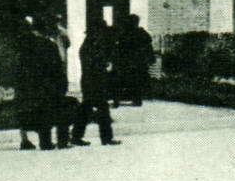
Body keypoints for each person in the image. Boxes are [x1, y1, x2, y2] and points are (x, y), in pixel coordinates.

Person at [14, 16, 69, 150]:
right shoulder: (49, 44)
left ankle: (45, 142)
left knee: (41, 112)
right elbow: (57, 66)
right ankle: (62, 141)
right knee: (59, 110)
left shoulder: (24, 46)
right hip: (49, 83)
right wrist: (62, 83)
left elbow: (19, 67)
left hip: (32, 84)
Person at [71, 17, 121, 146]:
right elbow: (96, 63)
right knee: (100, 108)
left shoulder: (88, 45)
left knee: (87, 107)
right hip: (94, 80)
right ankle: (105, 138)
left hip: (89, 80)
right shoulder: (94, 46)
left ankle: (77, 136)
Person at [112, 13, 155, 108]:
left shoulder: (126, 34)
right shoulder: (138, 33)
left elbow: (148, 47)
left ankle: (122, 100)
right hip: (134, 62)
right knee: (133, 82)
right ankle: (134, 99)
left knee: (126, 81)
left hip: (131, 62)